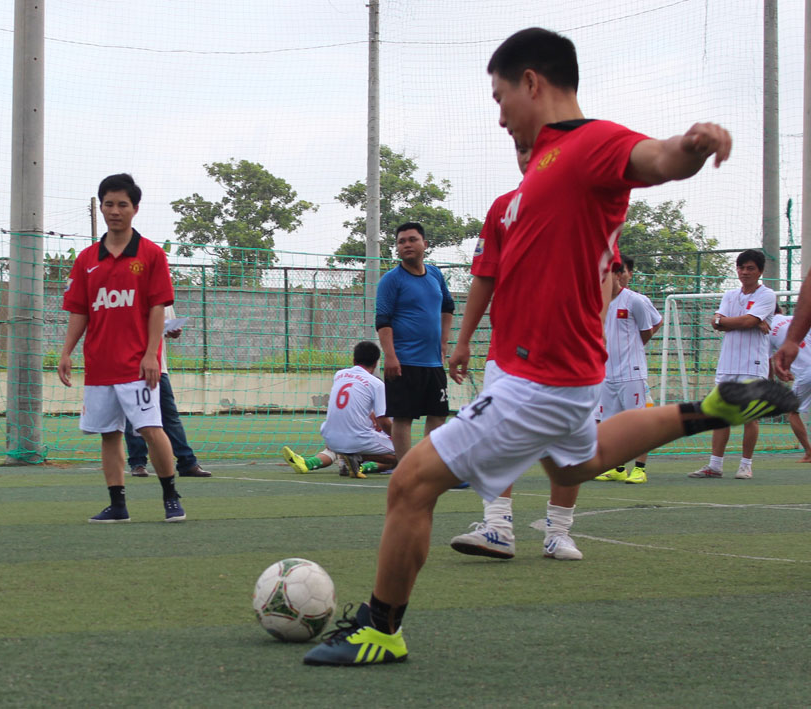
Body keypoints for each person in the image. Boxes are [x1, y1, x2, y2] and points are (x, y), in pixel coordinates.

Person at [303, 27, 796, 667]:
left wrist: (691, 147)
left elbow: (654, 158)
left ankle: (380, 631)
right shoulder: (539, 166)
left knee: (411, 483)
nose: (500, 114)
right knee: (576, 464)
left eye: (500, 96)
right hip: (549, 372)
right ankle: (709, 410)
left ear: (532, 82)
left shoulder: (589, 144)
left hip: (542, 379)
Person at [447, 140, 586, 561]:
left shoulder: (585, 205)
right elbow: (484, 276)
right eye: (521, 148)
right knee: (494, 437)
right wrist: (464, 340)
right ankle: (497, 528)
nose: (526, 155)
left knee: (566, 442)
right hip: (507, 350)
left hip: (568, 350)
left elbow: (604, 274)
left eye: (535, 147)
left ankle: (558, 532)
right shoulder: (502, 208)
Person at [58, 173, 186, 523]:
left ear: (135, 209)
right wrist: (66, 352)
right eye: (109, 204)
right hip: (99, 364)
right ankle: (118, 505)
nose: (115, 211)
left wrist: (151, 354)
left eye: (122, 204)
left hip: (137, 364)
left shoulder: (152, 254)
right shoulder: (86, 259)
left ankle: (171, 497)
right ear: (101, 207)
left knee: (151, 429)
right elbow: (80, 311)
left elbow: (158, 308)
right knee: (109, 434)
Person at [688, 250, 776, 480]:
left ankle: (746, 465)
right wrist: (738, 322)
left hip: (752, 364)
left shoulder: (767, 295)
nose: (745, 272)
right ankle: (715, 465)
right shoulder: (729, 295)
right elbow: (716, 322)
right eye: (741, 268)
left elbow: (747, 321)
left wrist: (734, 322)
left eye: (750, 268)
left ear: (760, 271)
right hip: (727, 363)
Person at [375, 222, 455, 462]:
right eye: (401, 242)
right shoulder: (391, 280)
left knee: (438, 415)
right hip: (404, 362)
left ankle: (427, 466)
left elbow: (448, 307)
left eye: (412, 240)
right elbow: (382, 320)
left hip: (433, 363)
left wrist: (444, 343)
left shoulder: (435, 274)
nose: (406, 245)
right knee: (403, 417)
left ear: (425, 244)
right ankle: (404, 470)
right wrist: (390, 356)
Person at [281, 341, 398, 479]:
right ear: (376, 363)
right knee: (402, 454)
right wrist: (398, 438)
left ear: (353, 360)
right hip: (360, 443)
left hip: (331, 439)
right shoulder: (377, 386)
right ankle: (358, 460)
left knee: (337, 449)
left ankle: (310, 463)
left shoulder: (339, 375)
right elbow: (383, 421)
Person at [593, 255, 663, 483]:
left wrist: (633, 349)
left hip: (631, 372)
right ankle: (618, 467)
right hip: (606, 373)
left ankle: (640, 469)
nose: (609, 277)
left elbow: (649, 328)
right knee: (610, 424)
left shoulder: (635, 301)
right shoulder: (598, 301)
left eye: (616, 272)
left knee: (638, 422)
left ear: (622, 274)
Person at [124, 304, 212, 478]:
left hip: (158, 367)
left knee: (170, 416)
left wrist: (173, 331)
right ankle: (138, 463)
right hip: (131, 366)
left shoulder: (164, 301)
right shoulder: (128, 296)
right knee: (134, 417)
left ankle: (187, 463)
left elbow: (166, 328)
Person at [767, 306, 811, 461]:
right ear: (780, 311)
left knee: (792, 411)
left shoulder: (768, 329)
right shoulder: (796, 321)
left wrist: (771, 383)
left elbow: (768, 360)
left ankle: (809, 452)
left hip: (806, 373)